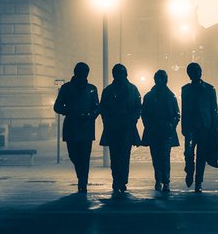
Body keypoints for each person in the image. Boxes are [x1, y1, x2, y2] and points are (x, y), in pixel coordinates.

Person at [52, 62, 99, 193]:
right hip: (71, 127)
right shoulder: (66, 88)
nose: (83, 75)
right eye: (81, 72)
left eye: (85, 72)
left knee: (85, 156)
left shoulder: (92, 89)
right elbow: (57, 106)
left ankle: (83, 181)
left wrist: (89, 115)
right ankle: (81, 175)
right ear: (76, 72)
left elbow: (97, 107)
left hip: (86, 127)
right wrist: (69, 111)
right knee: (74, 155)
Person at [99, 63, 142, 193]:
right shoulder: (110, 91)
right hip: (114, 128)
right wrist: (107, 122)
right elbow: (103, 109)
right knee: (116, 156)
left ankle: (121, 180)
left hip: (126, 128)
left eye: (120, 73)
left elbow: (138, 107)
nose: (119, 76)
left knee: (123, 155)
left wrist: (133, 119)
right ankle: (118, 180)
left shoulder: (132, 89)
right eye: (117, 73)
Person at [180, 61, 218, 192]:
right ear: (189, 74)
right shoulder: (185, 90)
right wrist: (184, 128)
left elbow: (214, 109)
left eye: (198, 70)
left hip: (204, 127)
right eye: (193, 71)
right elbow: (184, 109)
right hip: (191, 127)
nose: (197, 73)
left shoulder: (209, 89)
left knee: (201, 155)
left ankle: (198, 182)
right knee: (189, 153)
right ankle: (190, 171)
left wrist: (213, 126)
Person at [140, 69, 180, 191]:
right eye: (159, 78)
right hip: (157, 130)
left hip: (163, 130)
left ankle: (164, 180)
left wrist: (170, 126)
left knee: (163, 156)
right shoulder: (153, 96)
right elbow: (144, 113)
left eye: (162, 78)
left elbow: (176, 114)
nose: (161, 81)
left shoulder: (167, 96)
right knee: (157, 157)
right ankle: (160, 179)